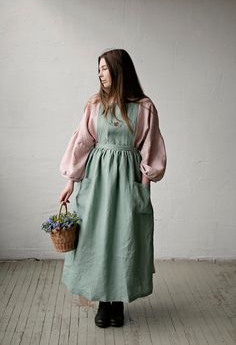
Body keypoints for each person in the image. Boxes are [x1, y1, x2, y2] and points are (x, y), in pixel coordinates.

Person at [58, 48, 167, 328]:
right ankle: (102, 302)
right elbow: (82, 142)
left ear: (120, 70)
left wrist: (143, 186)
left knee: (124, 237)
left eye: (105, 68)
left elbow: (150, 147)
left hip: (127, 182)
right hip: (96, 181)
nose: (100, 74)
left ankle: (117, 302)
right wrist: (71, 180)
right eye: (99, 69)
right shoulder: (95, 104)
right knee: (95, 238)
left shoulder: (144, 107)